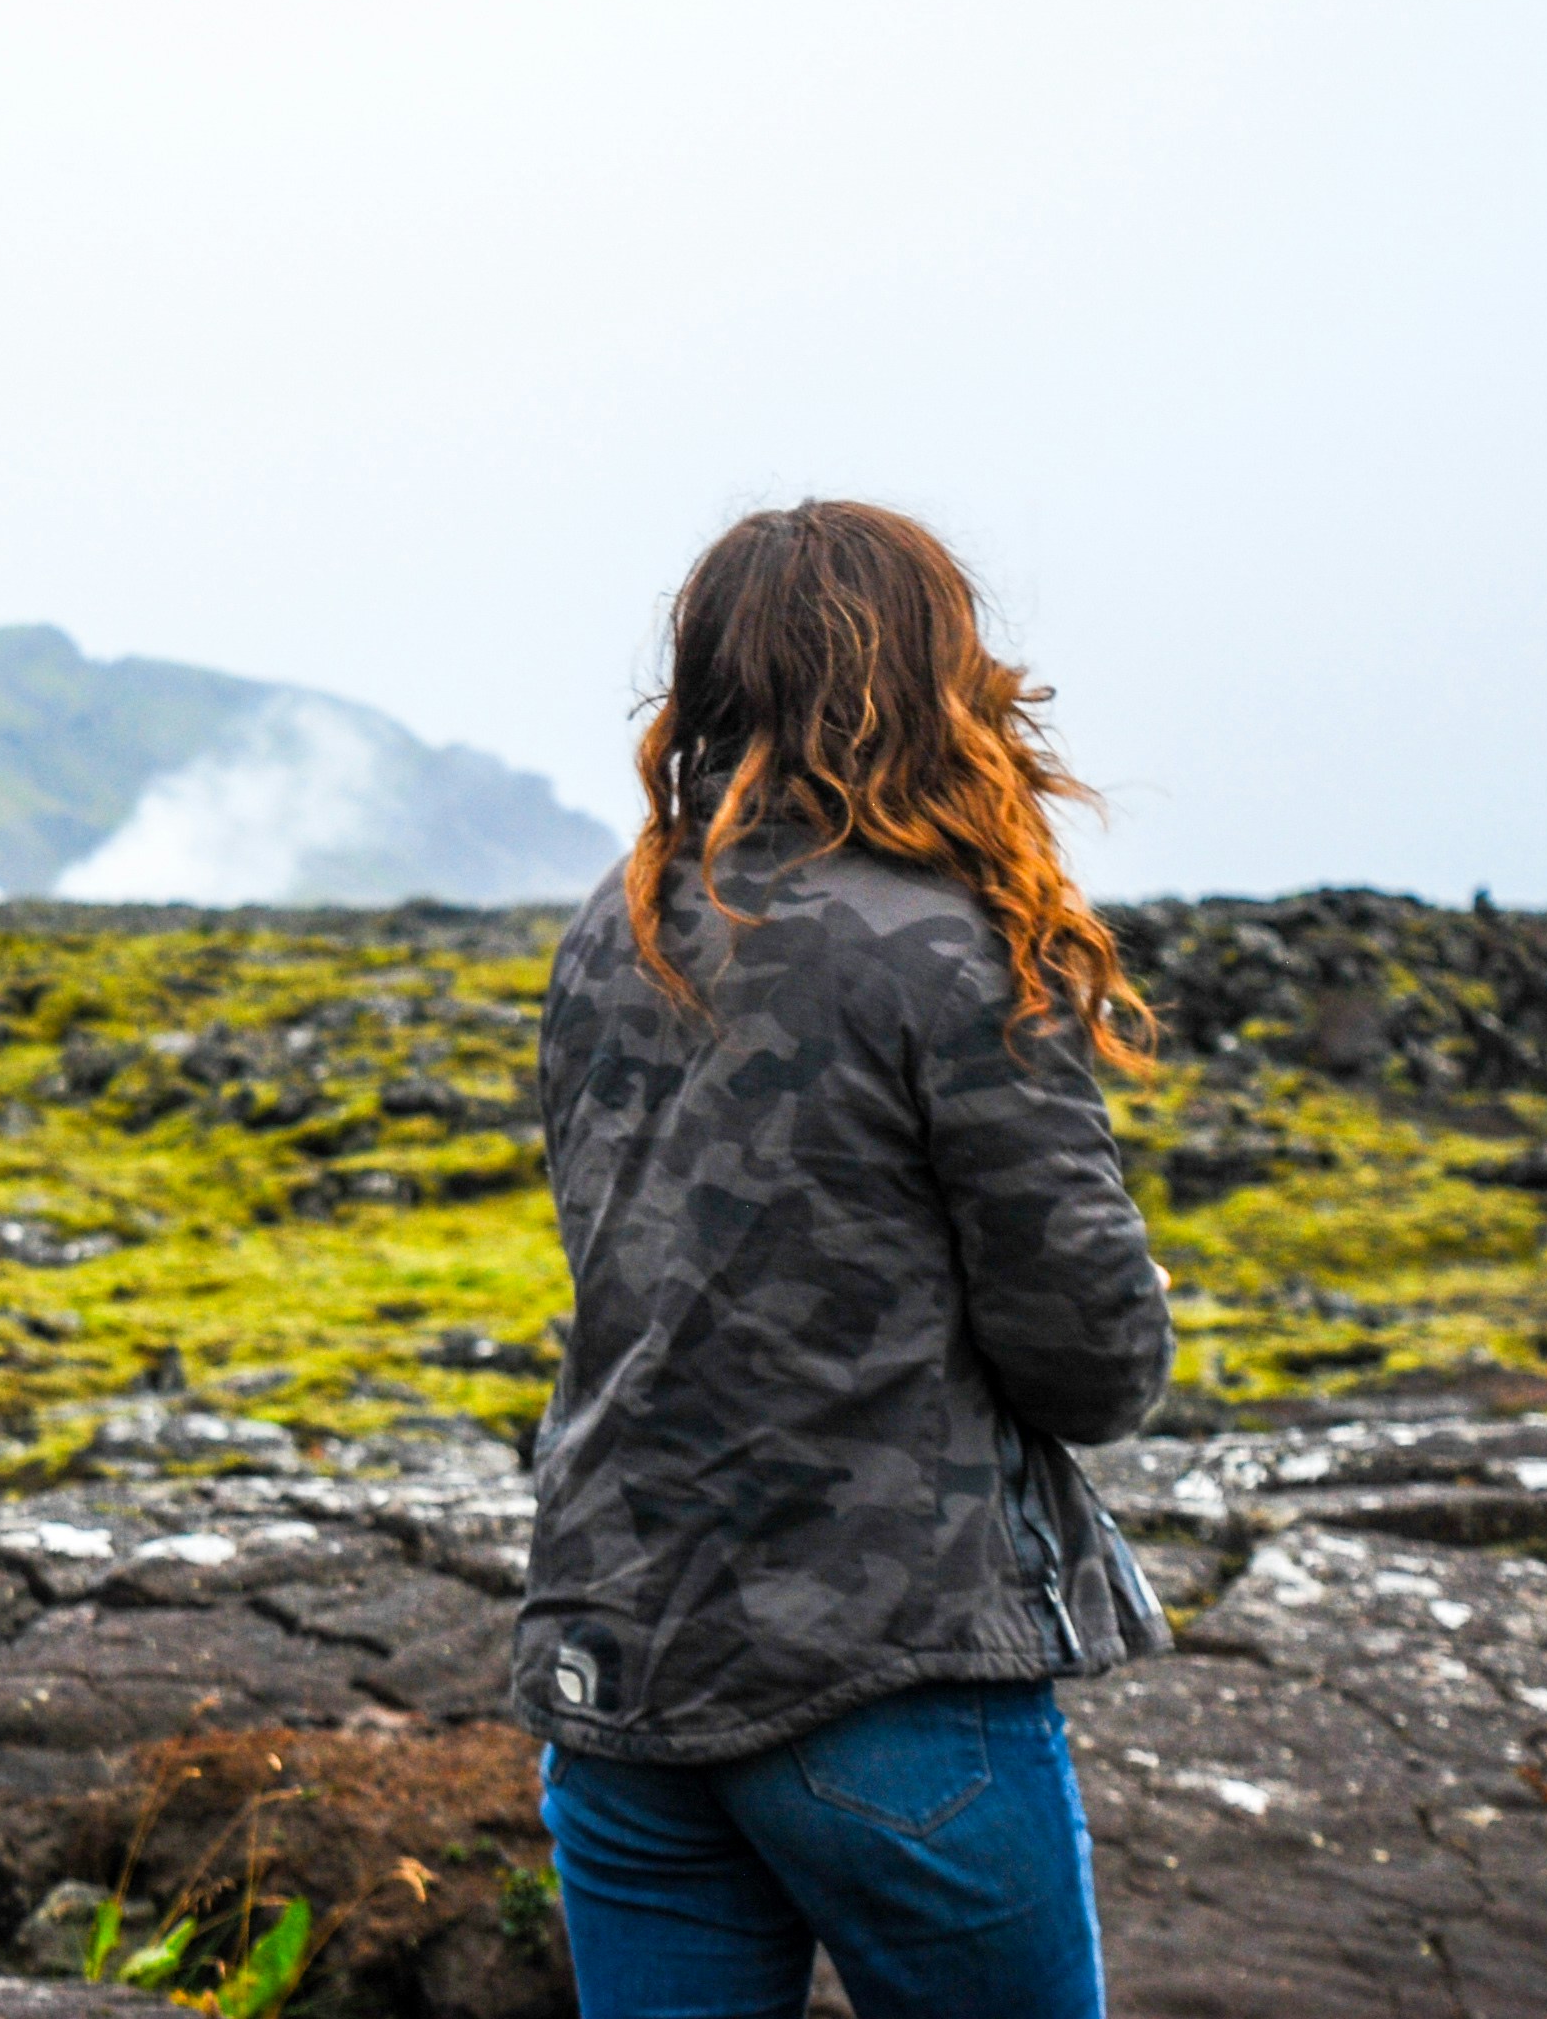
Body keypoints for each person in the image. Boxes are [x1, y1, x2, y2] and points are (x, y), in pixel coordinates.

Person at [517, 501, 1175, 2019]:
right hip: (891, 1674)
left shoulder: (607, 934)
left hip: (622, 1660)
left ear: (709, 682)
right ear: (931, 679)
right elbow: (1093, 1363)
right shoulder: (948, 948)